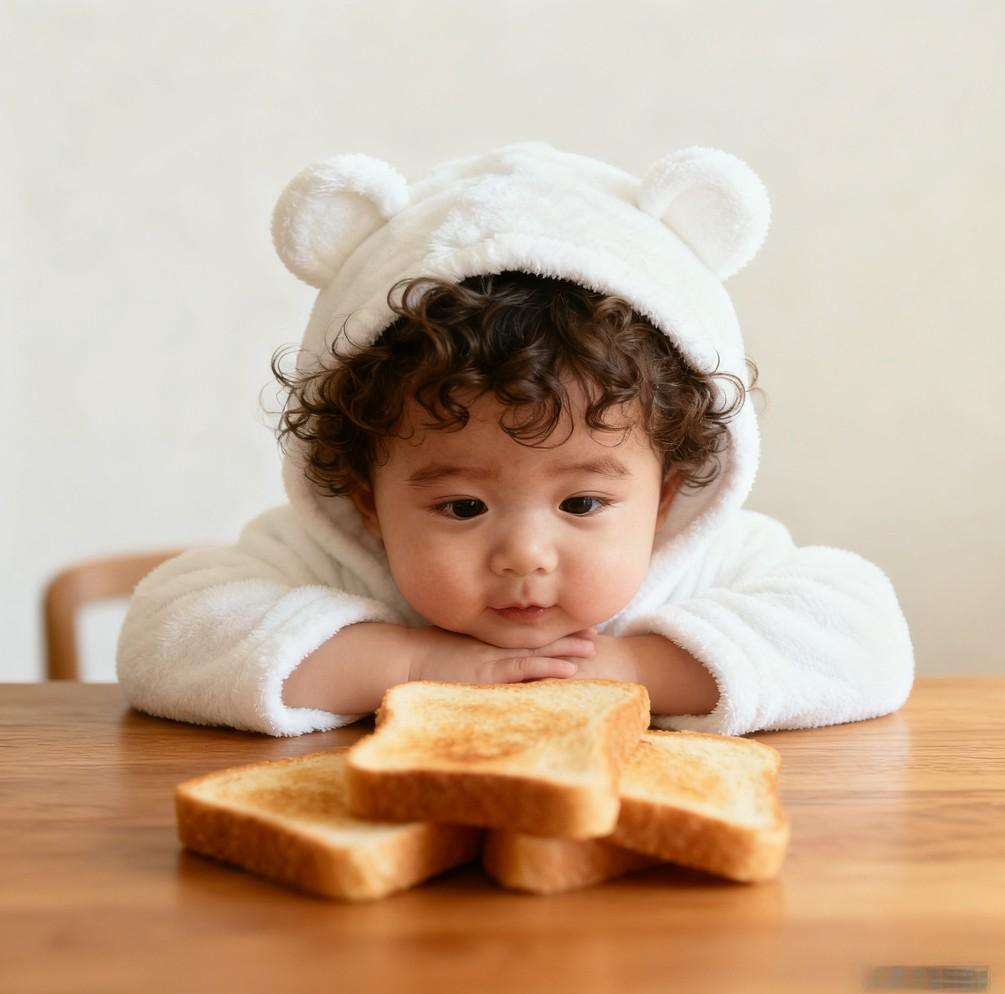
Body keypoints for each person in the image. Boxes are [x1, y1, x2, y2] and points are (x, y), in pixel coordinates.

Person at [116, 141, 914, 737]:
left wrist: (632, 668)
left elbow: (865, 638)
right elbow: (165, 633)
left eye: (583, 500)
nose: (525, 555)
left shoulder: (705, 561)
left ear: (668, 490)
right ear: (367, 496)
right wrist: (413, 665)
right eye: (462, 505)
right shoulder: (330, 559)